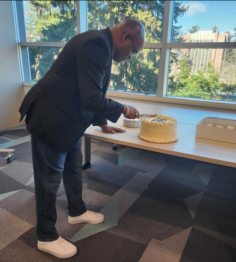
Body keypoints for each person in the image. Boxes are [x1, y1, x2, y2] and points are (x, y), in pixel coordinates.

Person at [19, 18, 145, 259]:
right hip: (52, 118)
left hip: (70, 119)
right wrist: (123, 109)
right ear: (125, 37)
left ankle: (77, 210)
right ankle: (46, 236)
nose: (131, 57)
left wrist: (102, 123)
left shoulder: (102, 45)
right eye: (134, 51)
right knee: (49, 180)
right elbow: (91, 97)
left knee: (73, 167)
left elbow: (92, 90)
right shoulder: (96, 44)